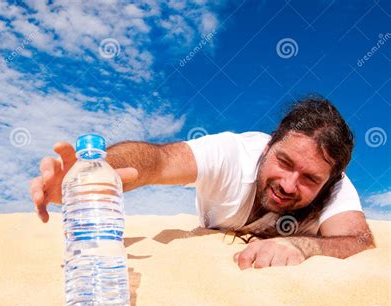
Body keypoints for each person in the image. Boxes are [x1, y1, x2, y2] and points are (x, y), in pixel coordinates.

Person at [29, 96, 375, 269]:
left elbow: (357, 240)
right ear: (269, 146)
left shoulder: (336, 186)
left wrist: (303, 247)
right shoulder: (232, 153)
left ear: (328, 182)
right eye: (283, 162)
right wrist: (96, 172)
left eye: (309, 179)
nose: (288, 183)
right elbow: (157, 160)